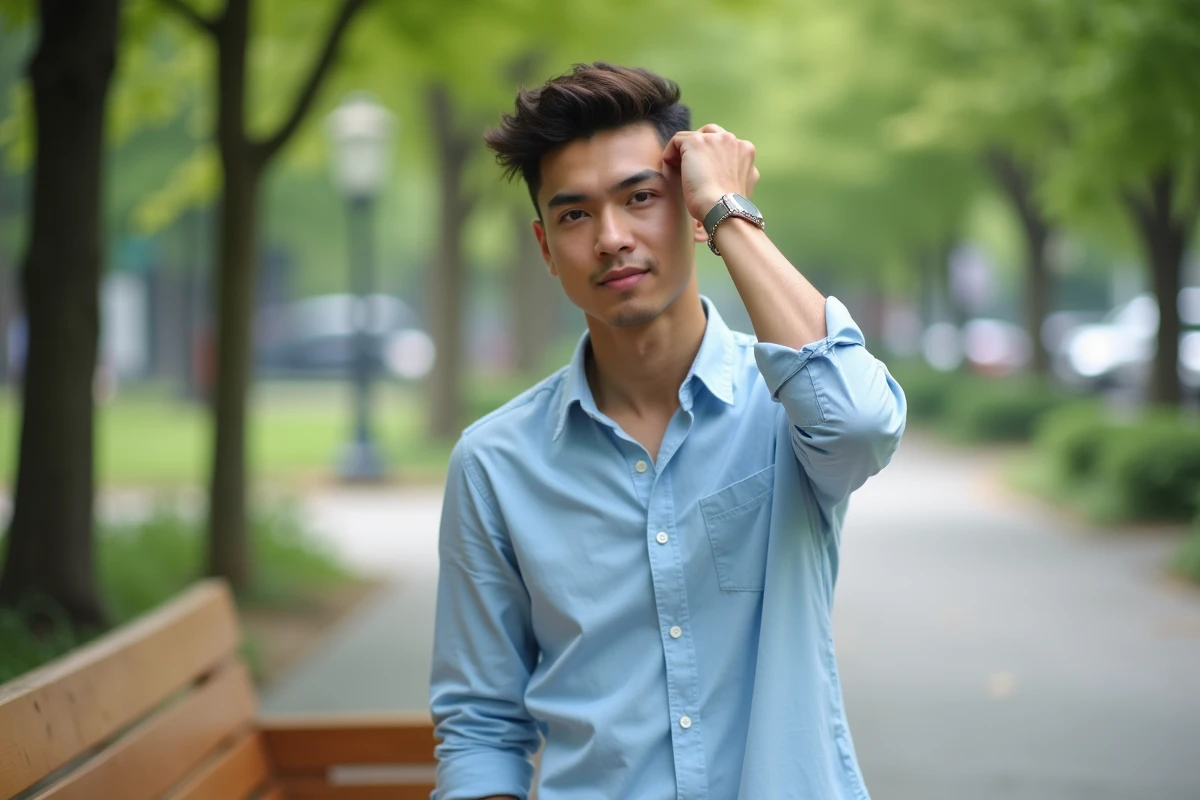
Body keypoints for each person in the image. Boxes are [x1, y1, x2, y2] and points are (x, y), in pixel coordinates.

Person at [429, 62, 907, 800]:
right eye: (575, 214)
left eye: (640, 198)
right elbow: (482, 725)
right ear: (545, 247)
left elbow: (862, 423)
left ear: (686, 211)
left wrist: (725, 207)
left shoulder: (787, 410)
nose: (612, 237)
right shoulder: (495, 463)